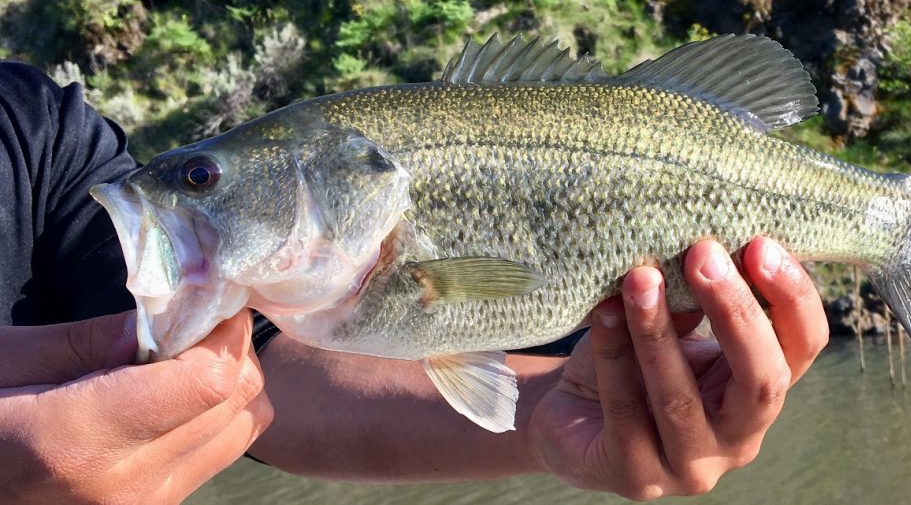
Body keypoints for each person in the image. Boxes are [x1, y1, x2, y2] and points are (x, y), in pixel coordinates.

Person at [0, 60, 829, 503]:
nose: (177, 199)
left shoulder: (31, 128)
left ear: (349, 179)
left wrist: (556, 416)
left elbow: (260, 375)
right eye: (201, 183)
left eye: (201, 181)